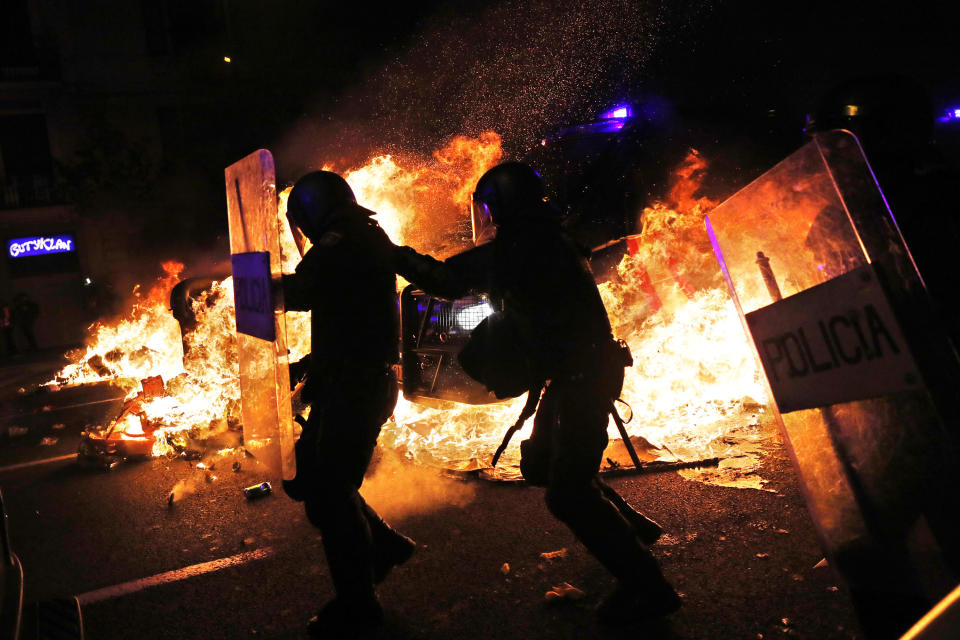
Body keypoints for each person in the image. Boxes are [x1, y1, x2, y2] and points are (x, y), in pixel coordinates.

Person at [393, 161, 681, 626]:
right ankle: (631, 529)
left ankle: (650, 588)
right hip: (578, 373)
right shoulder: (545, 236)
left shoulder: (524, 243)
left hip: (583, 377)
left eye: (490, 209)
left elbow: (446, 280)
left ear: (503, 205)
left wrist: (390, 253)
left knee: (566, 495)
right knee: (544, 465)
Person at [277, 170, 416, 637]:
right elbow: (347, 321)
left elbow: (297, 294)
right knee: (311, 484)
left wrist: (253, 275)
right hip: (345, 382)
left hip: (357, 388)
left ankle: (360, 607)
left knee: (330, 497)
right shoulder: (361, 237)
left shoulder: (345, 241)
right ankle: (385, 545)